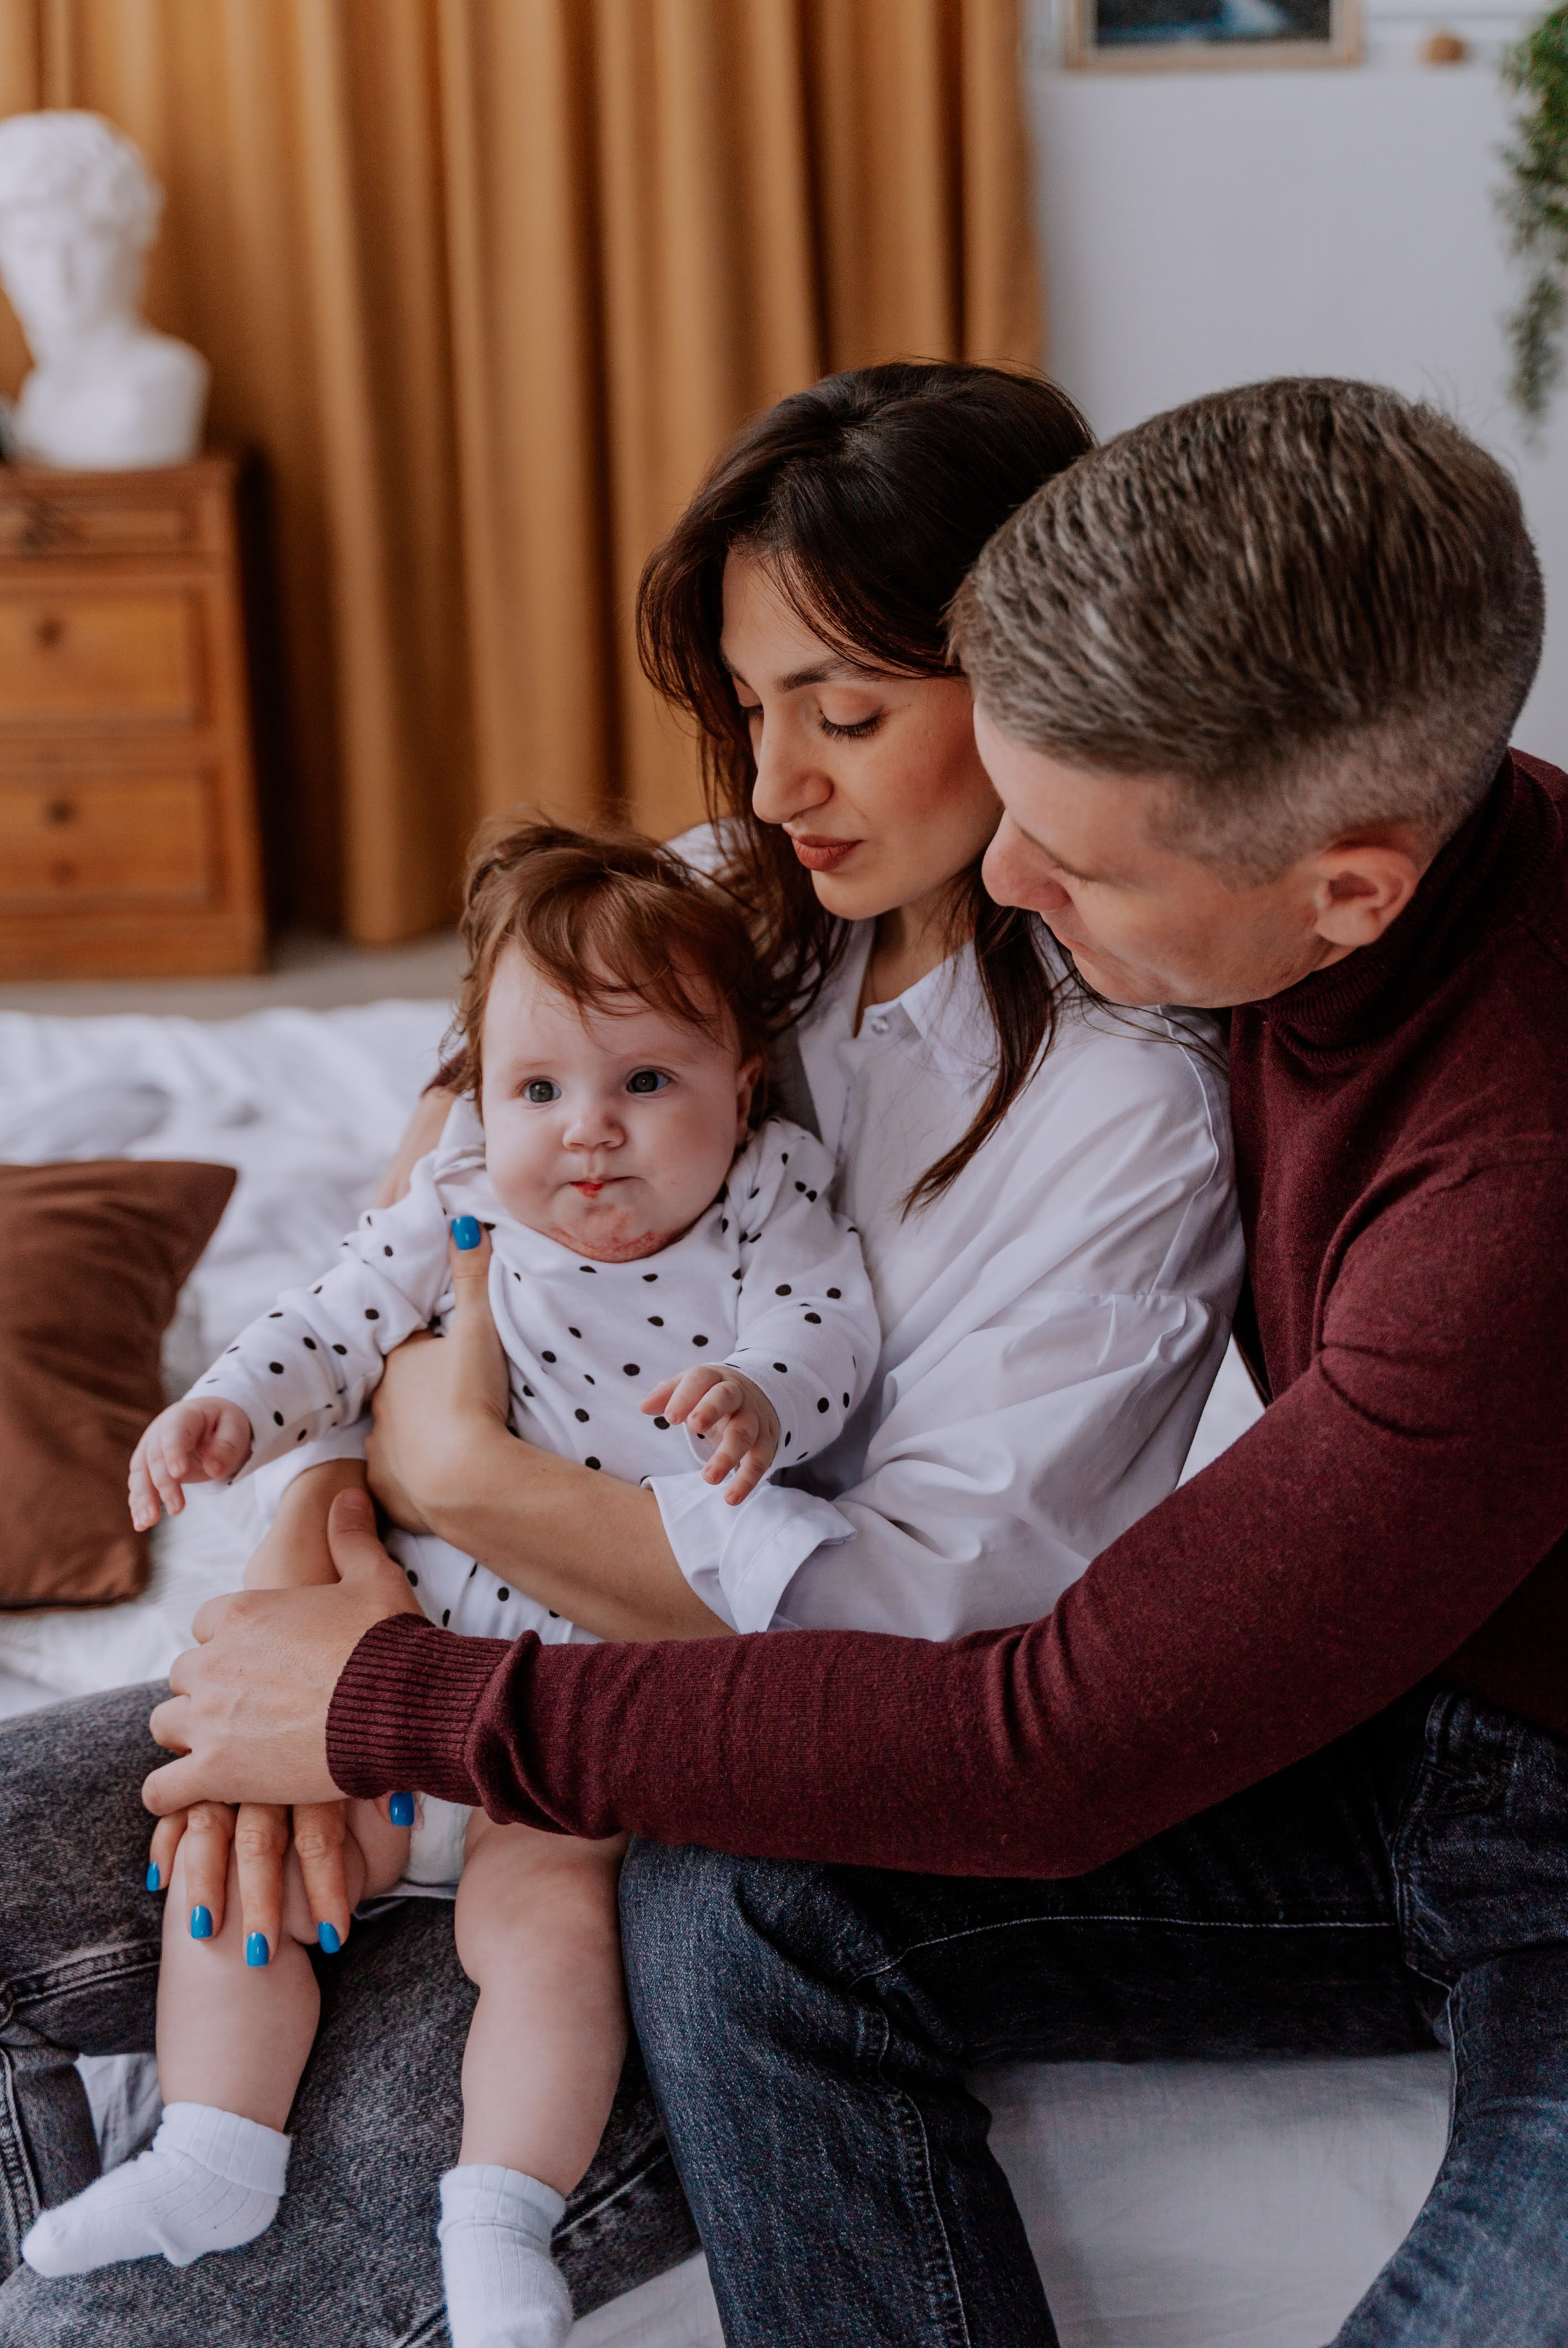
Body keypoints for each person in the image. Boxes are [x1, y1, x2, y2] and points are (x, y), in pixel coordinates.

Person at [141, 377, 1568, 2348]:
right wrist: (337, 1520)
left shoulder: (1495, 1190)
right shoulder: (1036, 889)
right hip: (1388, 1700)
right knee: (729, 1894)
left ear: (1349, 895)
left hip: (1535, 1807)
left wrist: (420, 1696)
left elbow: (1038, 1734)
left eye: (1079, 865)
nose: (1011, 891)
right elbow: (446, 1193)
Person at [0, 360, 1240, 2347]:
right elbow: (436, 1177)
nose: (774, 781)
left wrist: (450, 1519)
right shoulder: (743, 893)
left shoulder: (1128, 1107)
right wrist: (326, 1546)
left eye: (843, 711)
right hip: (386, 1633)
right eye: (751, 709)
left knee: (141, 2329)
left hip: (650, 1796)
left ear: (1039, 677)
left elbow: (900, 1623)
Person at [22, 821, 877, 2348]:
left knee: (546, 1941)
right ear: (480, 1100)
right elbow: (335, 1315)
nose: (589, 1133)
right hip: (384, 1684)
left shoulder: (766, 1193)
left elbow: (824, 1324)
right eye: (539, 1089)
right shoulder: (467, 1202)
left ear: (738, 1090)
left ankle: (500, 2214)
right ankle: (217, 2144)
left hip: (569, 1715)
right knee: (244, 1877)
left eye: (645, 1085)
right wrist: (232, 1406)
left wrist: (755, 1388)